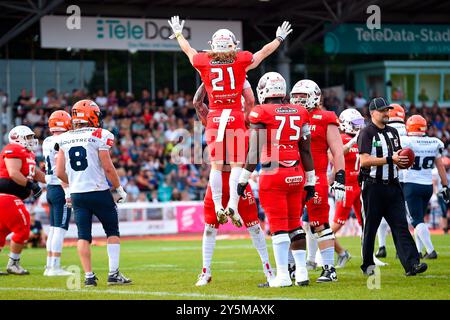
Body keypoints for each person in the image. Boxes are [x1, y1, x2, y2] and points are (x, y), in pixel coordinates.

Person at [168, 15, 292, 228]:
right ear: (233, 45)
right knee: (236, 164)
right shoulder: (240, 60)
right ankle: (233, 203)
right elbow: (263, 52)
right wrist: (279, 39)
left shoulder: (204, 62)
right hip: (235, 114)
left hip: (215, 116)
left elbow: (188, 50)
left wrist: (179, 33)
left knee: (216, 166)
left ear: (213, 46)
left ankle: (218, 206)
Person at [193, 82, 274, 287]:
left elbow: (197, 102)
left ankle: (268, 269)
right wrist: (210, 79)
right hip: (229, 181)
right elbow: (197, 102)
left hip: (235, 181)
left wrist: (210, 78)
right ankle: (206, 271)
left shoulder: (244, 120)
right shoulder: (227, 119)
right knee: (211, 228)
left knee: (254, 227)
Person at [238, 72, 315, 287]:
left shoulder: (260, 112)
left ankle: (282, 276)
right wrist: (311, 180)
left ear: (264, 90)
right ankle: (301, 273)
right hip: (297, 173)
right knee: (295, 224)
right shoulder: (300, 111)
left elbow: (254, 152)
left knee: (279, 226)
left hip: (273, 173)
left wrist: (243, 179)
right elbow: (306, 151)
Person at [56, 100, 131, 287]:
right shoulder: (99, 134)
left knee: (83, 236)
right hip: (98, 191)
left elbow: (59, 173)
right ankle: (113, 274)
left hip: (77, 195)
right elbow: (107, 166)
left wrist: (73, 183)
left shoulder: (64, 138)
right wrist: (119, 188)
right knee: (112, 231)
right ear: (90, 115)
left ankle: (89, 277)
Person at [357, 97, 427, 276]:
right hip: (373, 186)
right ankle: (368, 265)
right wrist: (390, 159)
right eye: (382, 111)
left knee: (401, 226)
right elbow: (364, 161)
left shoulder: (393, 133)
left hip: (393, 186)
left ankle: (412, 265)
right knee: (371, 228)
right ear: (373, 113)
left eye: (387, 110)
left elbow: (397, 159)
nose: (386, 113)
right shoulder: (366, 133)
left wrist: (403, 163)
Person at [290, 79, 345, 282]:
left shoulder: (325, 117)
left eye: (302, 96)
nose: (298, 100)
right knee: (290, 224)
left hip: (317, 176)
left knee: (319, 224)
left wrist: (340, 177)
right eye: (295, 96)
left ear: (314, 96)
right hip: (293, 176)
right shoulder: (289, 115)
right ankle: (292, 267)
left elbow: (337, 151)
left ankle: (329, 269)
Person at [401, 115, 449, 259]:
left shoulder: (406, 140)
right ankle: (418, 251)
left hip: (411, 184)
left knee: (416, 220)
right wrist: (445, 185)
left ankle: (431, 250)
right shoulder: (434, 142)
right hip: (427, 186)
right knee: (419, 219)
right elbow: (440, 166)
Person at [0, 125, 45, 275]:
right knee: (23, 225)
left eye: (32, 137)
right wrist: (33, 186)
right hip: (6, 196)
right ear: (16, 137)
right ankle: (13, 263)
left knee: (1, 232)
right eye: (28, 137)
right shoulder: (13, 148)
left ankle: (13, 262)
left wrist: (54, 180)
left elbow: (36, 173)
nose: (31, 140)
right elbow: (13, 173)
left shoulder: (28, 154)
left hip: (10, 197)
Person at [331, 108, 365, 268]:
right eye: (356, 123)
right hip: (347, 187)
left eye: (360, 122)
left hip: (361, 185)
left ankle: (369, 256)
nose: (359, 126)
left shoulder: (363, 138)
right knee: (337, 224)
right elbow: (334, 158)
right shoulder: (342, 138)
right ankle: (336, 252)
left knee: (365, 223)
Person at [43, 110, 73, 276]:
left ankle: (49, 265)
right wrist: (68, 191)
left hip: (51, 188)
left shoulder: (47, 140)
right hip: (60, 188)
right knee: (60, 229)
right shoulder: (63, 140)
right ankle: (55, 267)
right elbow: (61, 169)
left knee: (53, 229)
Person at [376, 103, 406, 259]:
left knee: (378, 216)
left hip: (383, 177)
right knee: (400, 218)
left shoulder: (380, 129)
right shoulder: (405, 130)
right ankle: (400, 250)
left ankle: (381, 246)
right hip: (403, 177)